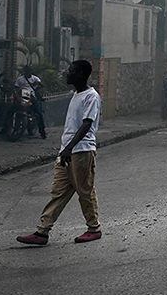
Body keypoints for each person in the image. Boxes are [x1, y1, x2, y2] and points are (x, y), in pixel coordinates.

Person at [16, 60, 103, 245]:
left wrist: (70, 148)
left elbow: (87, 124)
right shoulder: (76, 94)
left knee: (85, 191)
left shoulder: (91, 96)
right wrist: (65, 149)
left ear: (80, 74)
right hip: (67, 152)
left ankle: (94, 228)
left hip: (82, 151)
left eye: (71, 71)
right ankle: (42, 231)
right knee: (58, 193)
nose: (67, 73)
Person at [14, 65, 46, 139]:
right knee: (12, 110)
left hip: (31, 97)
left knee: (39, 114)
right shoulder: (20, 79)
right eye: (26, 70)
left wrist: (38, 83)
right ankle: (7, 129)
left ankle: (42, 132)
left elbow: (42, 85)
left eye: (29, 70)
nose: (28, 72)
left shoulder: (35, 78)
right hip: (22, 96)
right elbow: (16, 87)